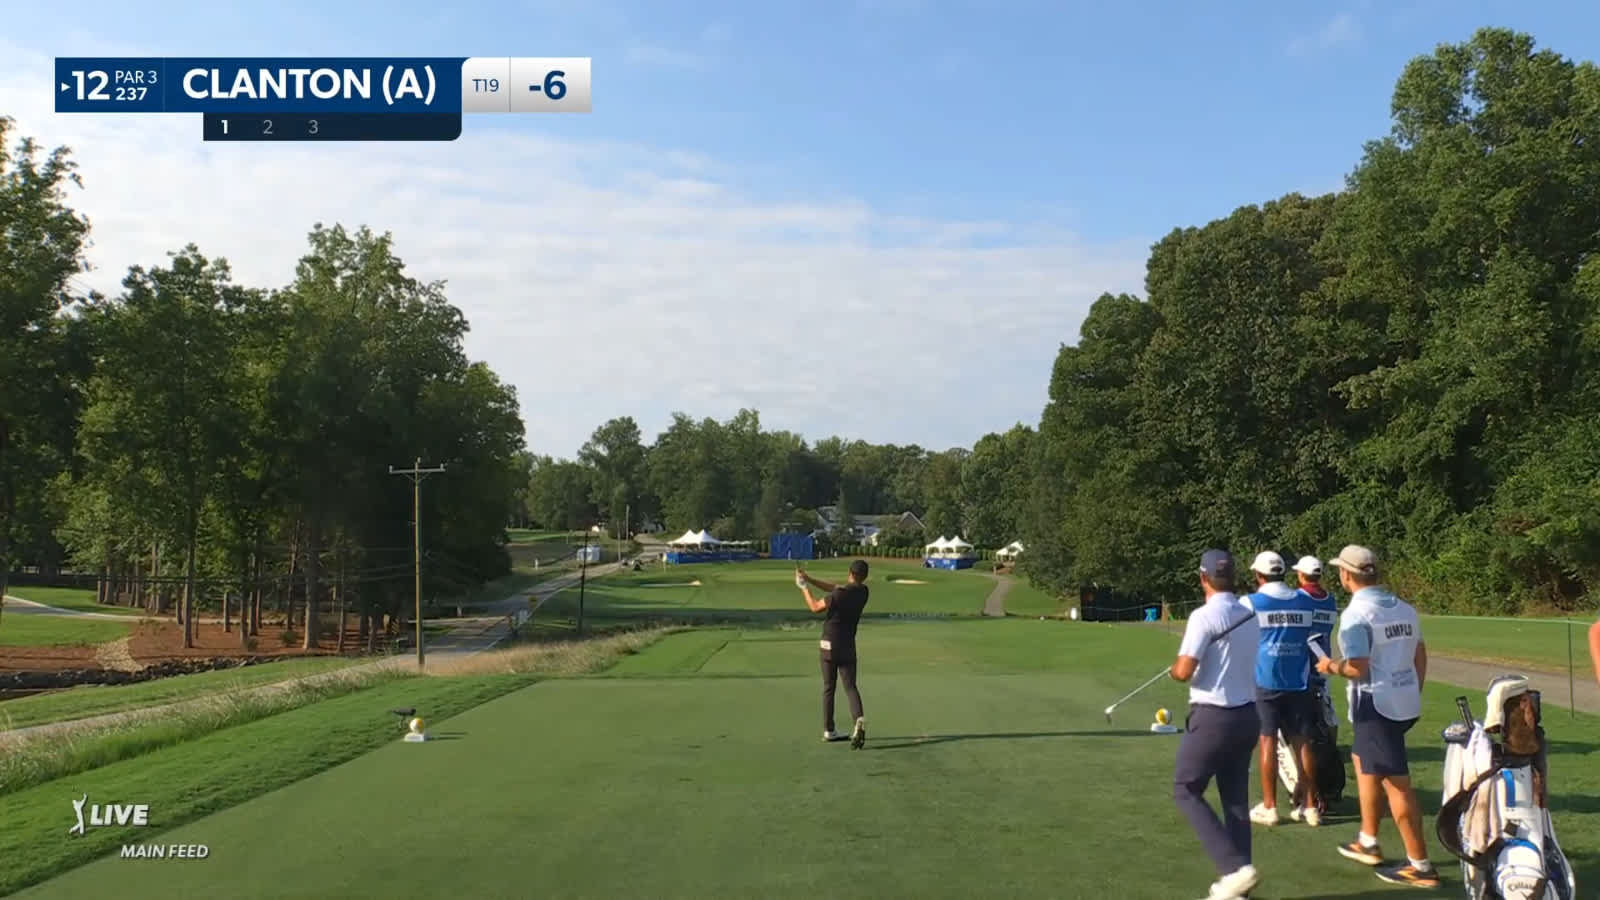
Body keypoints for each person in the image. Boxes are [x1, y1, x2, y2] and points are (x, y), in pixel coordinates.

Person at [1316, 545, 1439, 889]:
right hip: (1402, 701)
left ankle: (1421, 865)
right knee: (1362, 760)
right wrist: (1413, 689)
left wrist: (1329, 666)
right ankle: (1368, 840)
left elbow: (1356, 667)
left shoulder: (1356, 615)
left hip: (1375, 705)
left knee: (1397, 785)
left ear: (1346, 575)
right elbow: (1420, 652)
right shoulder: (1406, 609)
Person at [1171, 549, 1262, 900]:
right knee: (1235, 801)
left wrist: (1175, 669)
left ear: (1202, 577)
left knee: (1186, 788)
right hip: (1247, 716)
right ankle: (1239, 889)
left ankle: (1233, 869)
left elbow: (1184, 670)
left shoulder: (1202, 616)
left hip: (1213, 717)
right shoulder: (1249, 615)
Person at [1240, 551, 1322, 828]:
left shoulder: (1251, 602)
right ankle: (1310, 807)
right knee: (1302, 743)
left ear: (1258, 575)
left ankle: (1270, 807)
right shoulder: (1304, 600)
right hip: (1298, 680)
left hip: (1265, 680)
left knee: (1267, 742)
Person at [797, 560, 870, 749]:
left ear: (849, 573)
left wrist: (803, 587)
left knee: (829, 687)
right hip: (848, 646)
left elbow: (814, 606)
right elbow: (837, 589)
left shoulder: (839, 594)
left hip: (828, 645)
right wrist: (810, 579)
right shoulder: (863, 592)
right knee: (851, 687)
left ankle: (829, 730)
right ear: (864, 576)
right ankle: (858, 720)